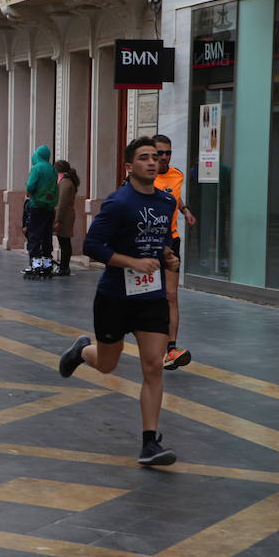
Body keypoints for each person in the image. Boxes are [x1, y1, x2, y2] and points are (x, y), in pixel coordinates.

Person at [58, 136, 180, 466]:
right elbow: (92, 245)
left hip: (151, 297)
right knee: (108, 364)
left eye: (155, 157)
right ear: (129, 166)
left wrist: (167, 256)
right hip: (114, 297)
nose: (152, 162)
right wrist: (132, 262)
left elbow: (160, 240)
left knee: (154, 366)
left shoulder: (166, 202)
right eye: (144, 158)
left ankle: (149, 443)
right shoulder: (118, 203)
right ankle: (81, 351)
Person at [153, 134, 197, 371]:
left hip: (172, 241)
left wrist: (186, 211)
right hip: (147, 244)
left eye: (168, 152)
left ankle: (171, 350)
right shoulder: (142, 177)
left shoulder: (177, 174)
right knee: (144, 296)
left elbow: (176, 196)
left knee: (171, 295)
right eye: (160, 153)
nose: (164, 157)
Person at [24, 145, 57, 278]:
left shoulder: (36, 168)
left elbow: (31, 186)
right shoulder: (53, 170)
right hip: (49, 207)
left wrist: (29, 193)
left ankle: (36, 263)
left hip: (36, 205)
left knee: (34, 235)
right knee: (47, 234)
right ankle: (47, 262)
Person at [53, 160, 79, 276]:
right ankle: (64, 267)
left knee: (64, 242)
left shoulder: (65, 183)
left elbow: (61, 203)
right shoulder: (66, 181)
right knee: (64, 242)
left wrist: (57, 220)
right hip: (67, 214)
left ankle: (64, 267)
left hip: (65, 216)